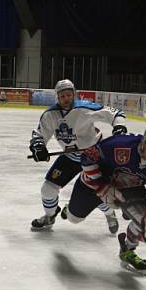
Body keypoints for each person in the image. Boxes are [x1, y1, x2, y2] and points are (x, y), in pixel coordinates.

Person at [63, 121, 146, 274]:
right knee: (74, 218)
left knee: (144, 220)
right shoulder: (119, 144)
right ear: (144, 143)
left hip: (129, 187)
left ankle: (127, 249)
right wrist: (102, 186)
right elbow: (87, 157)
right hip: (94, 184)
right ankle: (71, 208)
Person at [28, 79, 126, 233]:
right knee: (47, 189)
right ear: (57, 98)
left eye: (69, 94)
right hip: (70, 157)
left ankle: (109, 214)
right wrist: (38, 146)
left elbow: (115, 114)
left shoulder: (84, 108)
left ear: (74, 94)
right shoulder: (50, 115)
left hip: (94, 156)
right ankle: (49, 215)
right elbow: (40, 134)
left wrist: (119, 126)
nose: (66, 98)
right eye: (62, 96)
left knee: (97, 191)